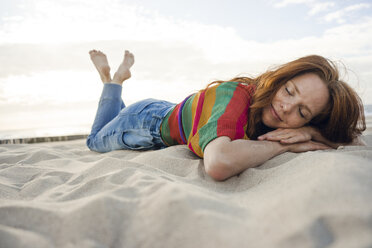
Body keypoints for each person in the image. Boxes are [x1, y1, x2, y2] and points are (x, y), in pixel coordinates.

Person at [86, 49, 366, 181]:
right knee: (96, 139)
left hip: (169, 110)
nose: (285, 108)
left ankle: (116, 86)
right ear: (280, 80)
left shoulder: (290, 121)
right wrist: (287, 144)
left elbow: (353, 142)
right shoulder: (235, 94)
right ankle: (113, 82)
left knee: (109, 126)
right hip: (146, 124)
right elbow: (218, 163)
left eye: (302, 112)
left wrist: (311, 134)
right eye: (289, 91)